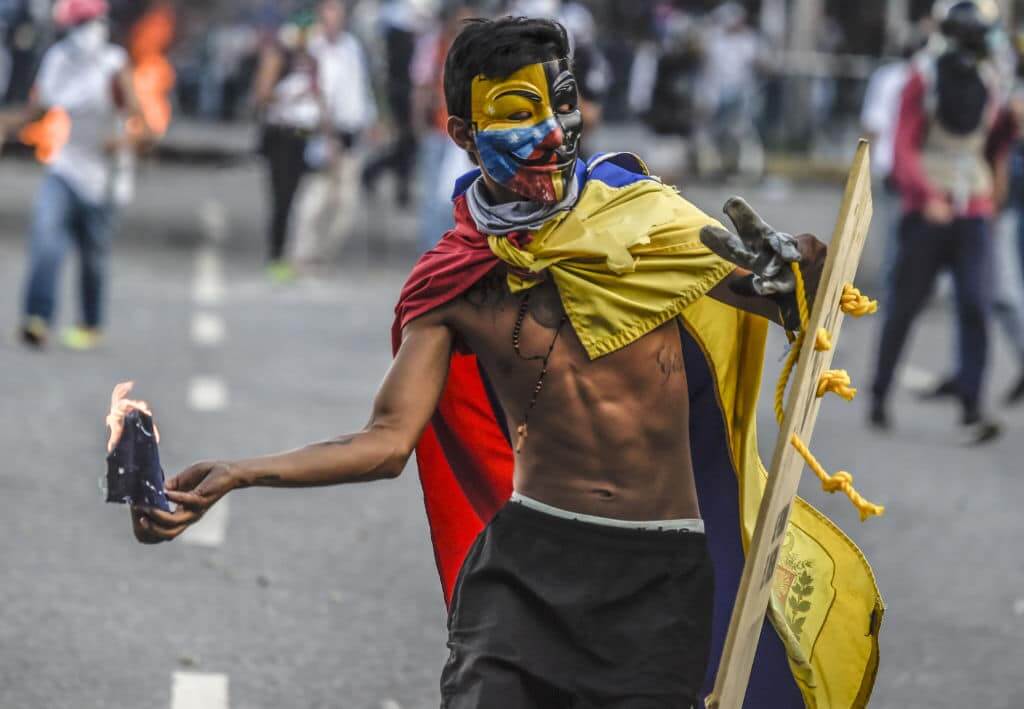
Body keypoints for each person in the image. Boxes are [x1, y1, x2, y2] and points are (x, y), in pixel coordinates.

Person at [132, 18, 883, 708]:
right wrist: (240, 472)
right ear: (461, 131)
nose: (553, 131)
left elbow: (796, 300)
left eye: (561, 102)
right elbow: (386, 442)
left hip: (659, 579)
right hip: (525, 572)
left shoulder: (650, 223)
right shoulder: (457, 280)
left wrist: (798, 270)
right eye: (521, 112)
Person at [870, 0, 1017, 443]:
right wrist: (924, 195)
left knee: (976, 303)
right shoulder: (924, 77)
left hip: (971, 206)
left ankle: (972, 407)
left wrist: (994, 189)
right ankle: (879, 393)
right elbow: (902, 146)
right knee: (906, 303)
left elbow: (993, 142)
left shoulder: (991, 80)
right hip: (927, 208)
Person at [0, 0, 152, 350]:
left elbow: (144, 128)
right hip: (65, 167)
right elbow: (34, 114)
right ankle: (36, 319)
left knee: (94, 256)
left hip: (103, 178)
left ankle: (90, 322)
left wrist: (121, 141)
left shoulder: (114, 65)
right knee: (46, 240)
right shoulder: (58, 60)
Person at [289, 0, 377, 274]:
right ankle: (302, 254)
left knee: (345, 205)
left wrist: (371, 119)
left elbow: (360, 88)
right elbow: (312, 96)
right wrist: (327, 137)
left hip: (352, 134)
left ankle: (323, 255)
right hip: (321, 133)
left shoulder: (351, 47)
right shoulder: (312, 48)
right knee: (314, 199)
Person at [252, 10, 324, 284]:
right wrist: (288, 95)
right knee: (282, 198)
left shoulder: (314, 62)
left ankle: (299, 253)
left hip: (305, 134)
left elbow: (321, 97)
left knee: (303, 198)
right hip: (281, 135)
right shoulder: (279, 56)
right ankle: (277, 254)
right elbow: (262, 95)